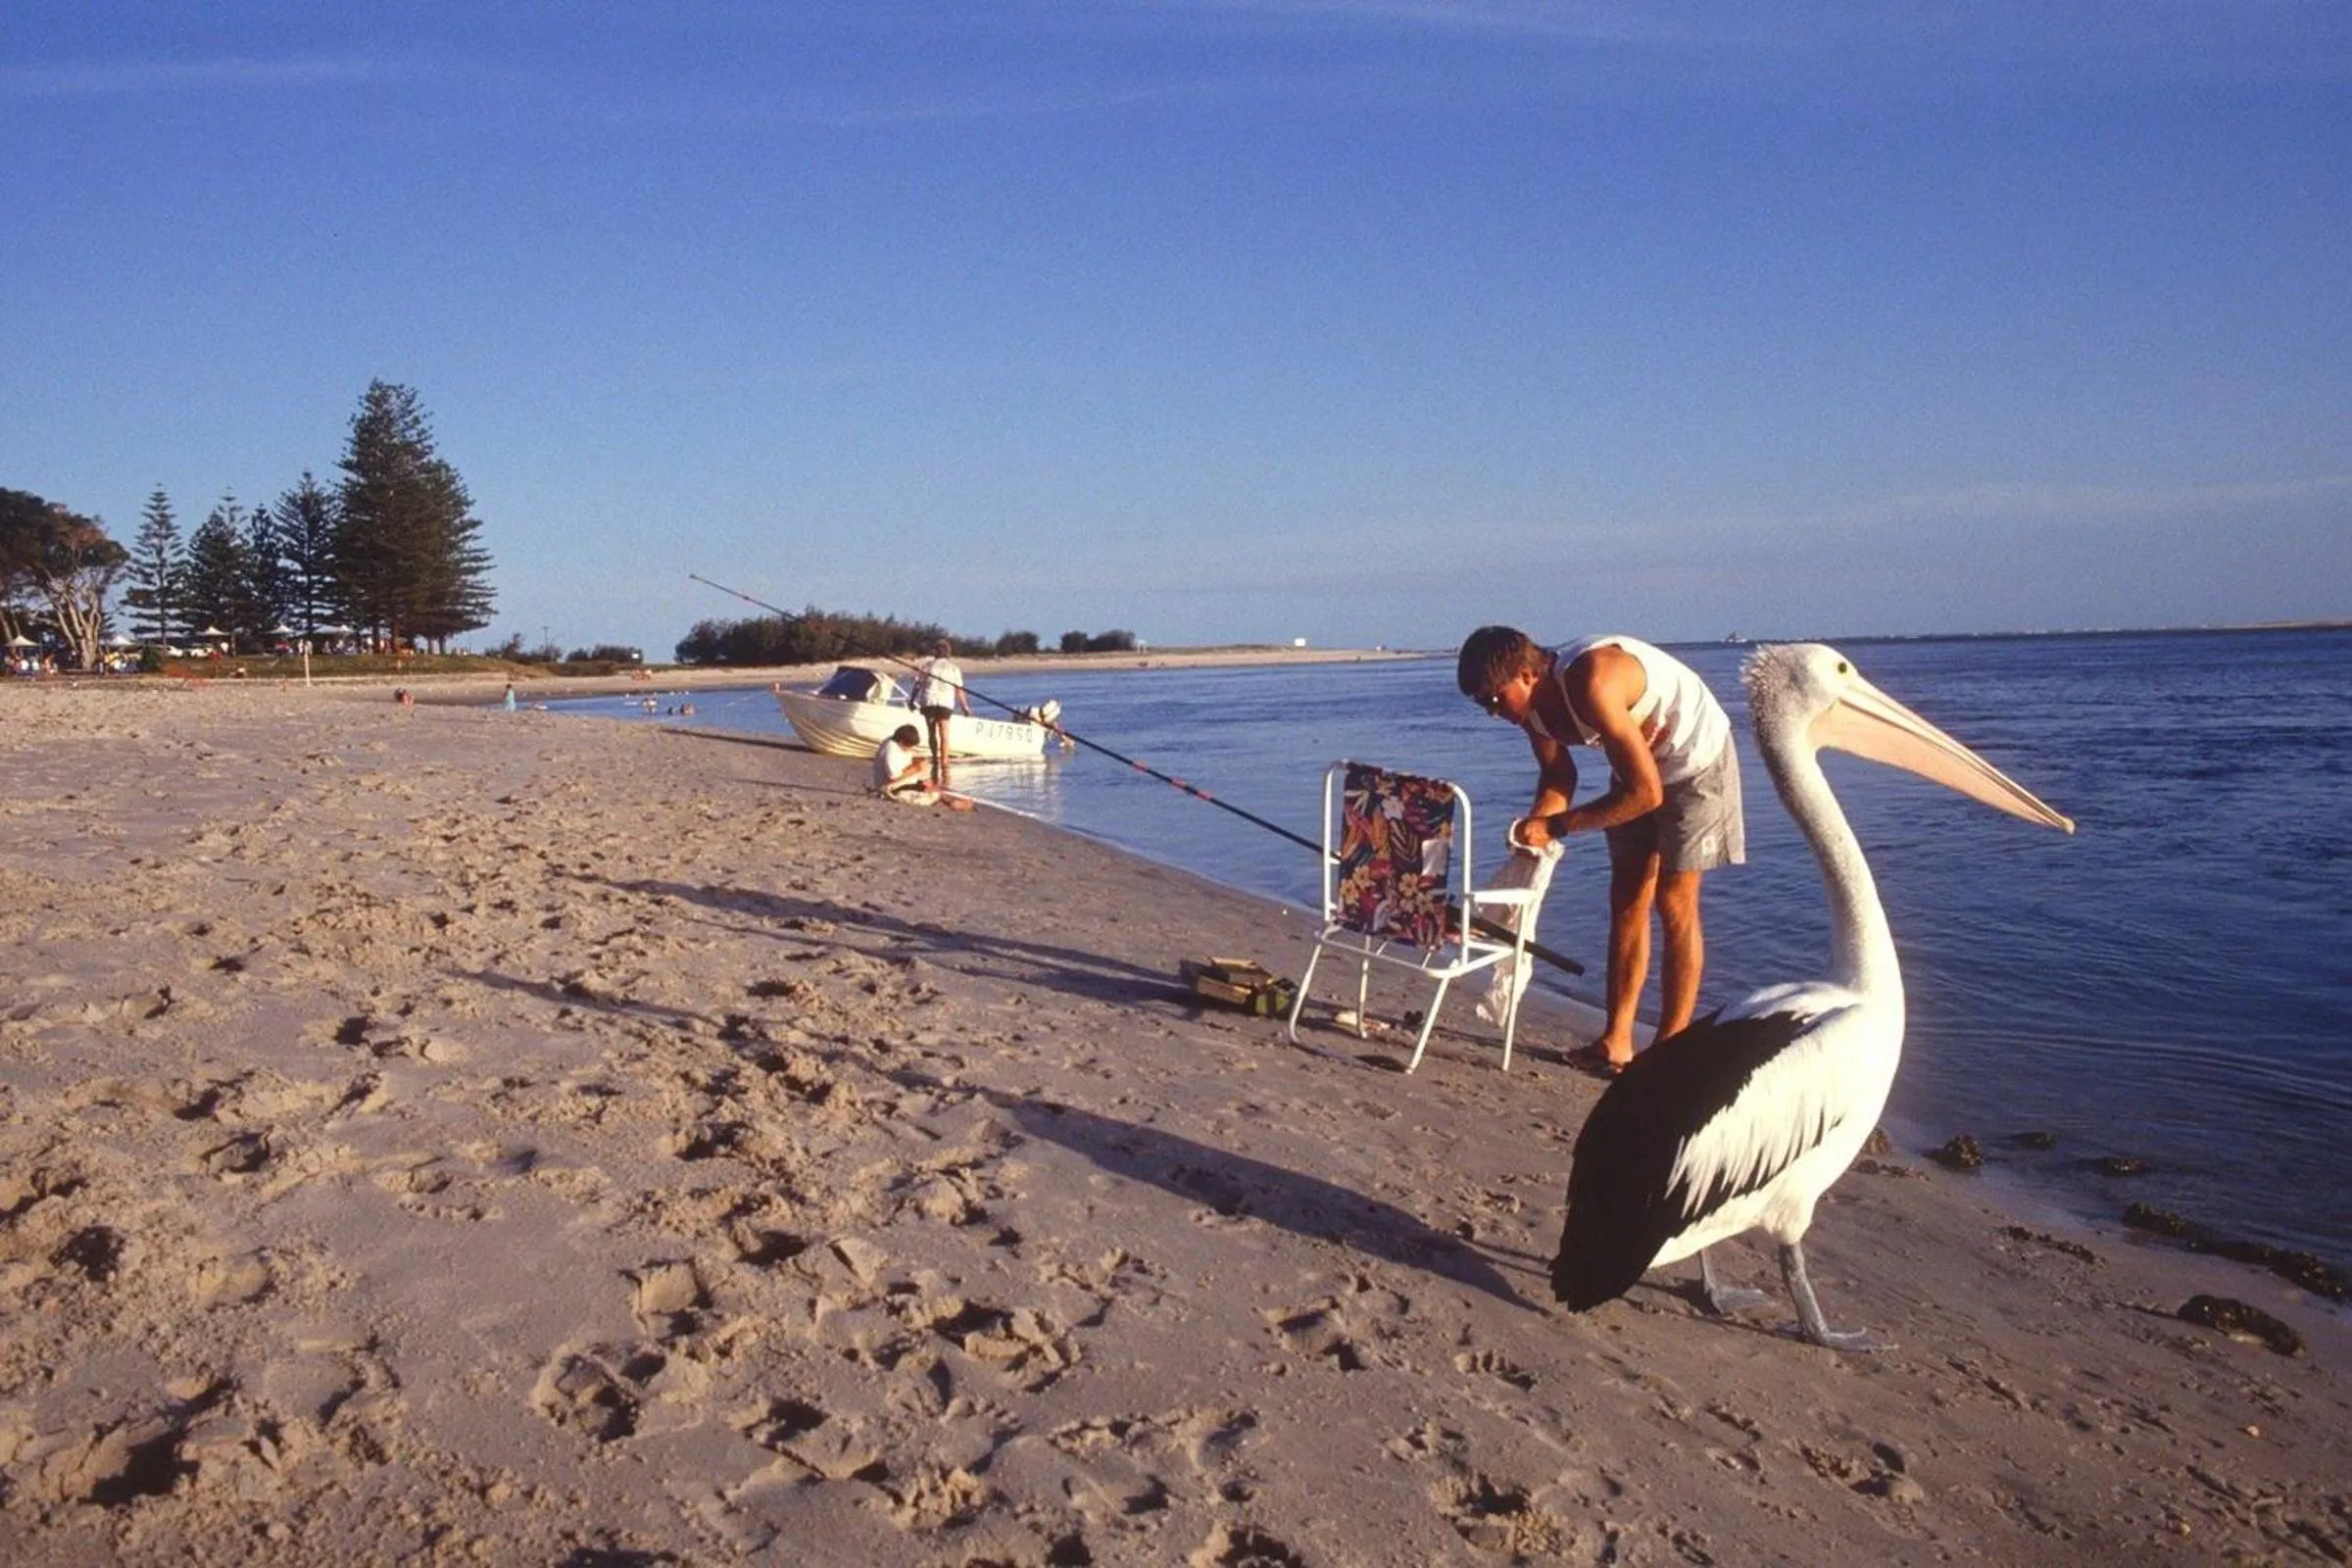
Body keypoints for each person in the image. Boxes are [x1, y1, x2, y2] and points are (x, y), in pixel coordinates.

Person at [1457, 626, 1745, 1075]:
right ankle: (1617, 1040)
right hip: (1639, 769)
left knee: (1675, 901)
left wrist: (1559, 825)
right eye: (1482, 705)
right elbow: (1559, 778)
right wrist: (1537, 829)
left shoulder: (1593, 679)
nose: (1493, 712)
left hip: (1695, 761)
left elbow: (1647, 793)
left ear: (1528, 675)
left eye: (1495, 699)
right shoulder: (1530, 712)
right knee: (1627, 898)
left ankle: (1669, 1054)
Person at [871, 724, 974, 810]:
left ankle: (955, 801)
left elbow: (905, 765)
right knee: (935, 794)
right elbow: (893, 776)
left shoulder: (895, 744)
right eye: (908, 745)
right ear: (902, 741)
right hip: (892, 788)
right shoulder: (891, 749)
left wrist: (920, 769)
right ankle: (954, 803)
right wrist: (916, 768)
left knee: (936, 788)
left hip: (902, 784)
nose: (910, 749)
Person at [912, 638, 969, 790]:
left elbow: (918, 685)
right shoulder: (953, 669)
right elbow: (959, 689)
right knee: (944, 731)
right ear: (948, 652)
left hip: (929, 702)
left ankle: (936, 758)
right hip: (944, 703)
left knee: (932, 731)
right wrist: (965, 707)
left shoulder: (927, 666)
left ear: (935, 652)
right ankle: (944, 761)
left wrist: (912, 700)